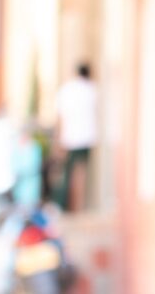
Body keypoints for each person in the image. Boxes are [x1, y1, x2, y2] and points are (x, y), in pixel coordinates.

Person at [54, 62, 98, 212]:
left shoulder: (67, 90)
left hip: (70, 138)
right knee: (82, 172)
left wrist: (58, 139)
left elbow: (60, 117)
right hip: (87, 137)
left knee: (68, 173)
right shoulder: (92, 90)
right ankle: (79, 204)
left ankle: (66, 205)